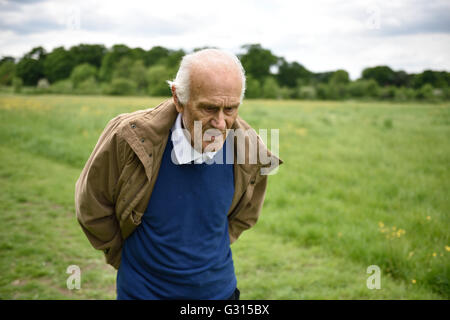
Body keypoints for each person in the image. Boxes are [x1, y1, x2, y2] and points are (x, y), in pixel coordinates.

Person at [74, 49, 282, 300]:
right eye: (209, 108)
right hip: (142, 294)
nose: (219, 122)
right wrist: (128, 259)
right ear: (178, 98)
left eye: (230, 109)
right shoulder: (128, 137)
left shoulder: (249, 148)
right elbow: (92, 206)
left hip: (220, 293)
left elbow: (244, 216)